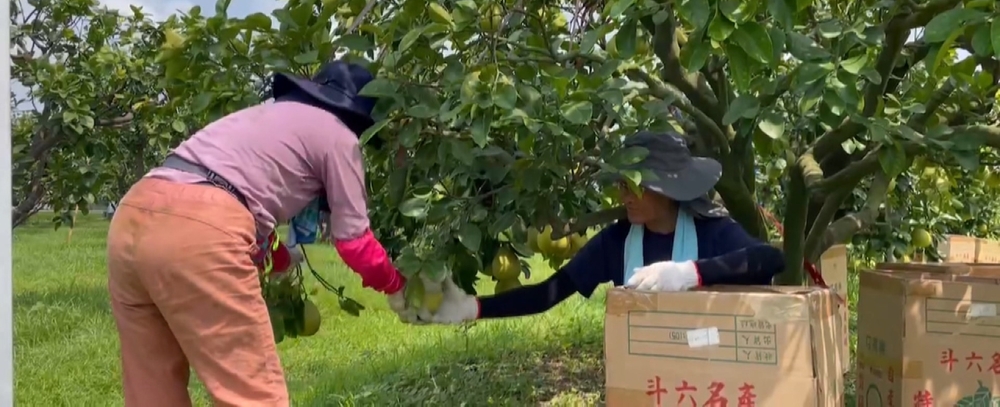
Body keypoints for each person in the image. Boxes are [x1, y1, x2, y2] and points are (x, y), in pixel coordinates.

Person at [106, 60, 416, 407]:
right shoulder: (339, 137)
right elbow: (355, 243)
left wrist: (282, 260)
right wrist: (396, 286)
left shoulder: (260, 116)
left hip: (132, 217)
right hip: (203, 230)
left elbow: (230, 195)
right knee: (252, 397)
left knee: (152, 387)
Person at [424, 131, 786, 324]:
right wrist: (473, 308)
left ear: (668, 189)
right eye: (621, 184)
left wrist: (689, 273)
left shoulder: (711, 233)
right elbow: (550, 292)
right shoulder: (617, 242)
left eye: (634, 185)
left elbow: (769, 258)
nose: (623, 195)